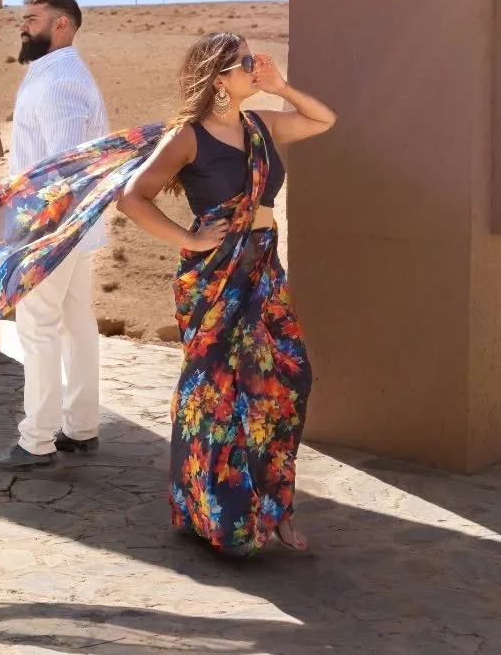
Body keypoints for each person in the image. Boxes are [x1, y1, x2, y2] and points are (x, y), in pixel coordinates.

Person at [115, 31, 337, 555]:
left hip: (263, 267)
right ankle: (218, 515)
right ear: (218, 77)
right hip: (215, 275)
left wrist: (280, 85)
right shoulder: (188, 137)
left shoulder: (261, 125)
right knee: (216, 392)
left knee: (288, 377)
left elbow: (324, 120)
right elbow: (132, 197)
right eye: (244, 62)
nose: (252, 67)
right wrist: (187, 238)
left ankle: (274, 504)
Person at [0, 0, 111, 472]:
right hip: (68, 228)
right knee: (76, 324)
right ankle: (80, 428)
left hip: (53, 229)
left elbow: (67, 168)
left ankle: (36, 441)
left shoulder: (59, 83)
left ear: (62, 25)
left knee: (37, 328)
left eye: (32, 18)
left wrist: (38, 234)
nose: (22, 25)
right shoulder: (51, 75)